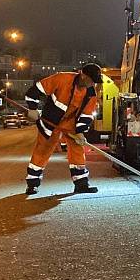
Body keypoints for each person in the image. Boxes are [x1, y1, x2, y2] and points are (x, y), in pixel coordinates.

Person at [23, 64, 102, 195]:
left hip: (71, 124)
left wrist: (80, 132)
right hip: (51, 121)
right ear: (82, 75)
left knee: (77, 150)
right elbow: (35, 91)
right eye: (90, 80)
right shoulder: (62, 79)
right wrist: (32, 108)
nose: (92, 83)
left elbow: (86, 114)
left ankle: (81, 184)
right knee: (43, 150)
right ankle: (32, 184)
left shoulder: (91, 93)